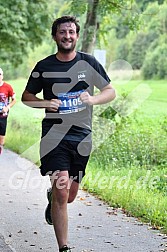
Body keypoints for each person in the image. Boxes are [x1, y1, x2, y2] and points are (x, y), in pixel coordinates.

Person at [21, 15, 116, 252]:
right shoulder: (44, 66)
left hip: (82, 136)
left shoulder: (89, 63)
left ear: (77, 35)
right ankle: (64, 247)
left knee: (69, 195)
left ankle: (52, 197)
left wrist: (93, 98)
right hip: (54, 136)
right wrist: (46, 104)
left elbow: (110, 91)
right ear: (55, 36)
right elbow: (26, 97)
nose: (67, 36)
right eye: (62, 32)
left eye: (71, 32)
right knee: (63, 192)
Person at [0, 68, 16, 155]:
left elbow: (14, 100)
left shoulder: (7, 87)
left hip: (3, 115)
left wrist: (7, 107)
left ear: (2, 76)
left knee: (1, 136)